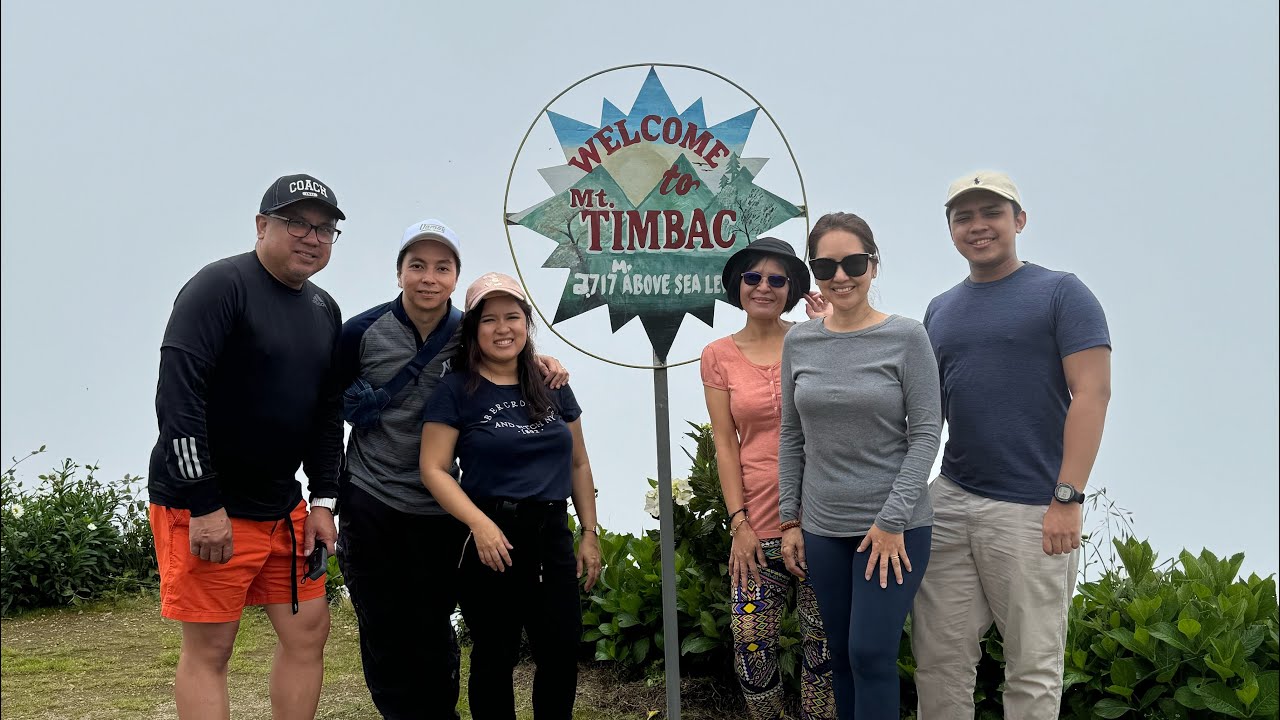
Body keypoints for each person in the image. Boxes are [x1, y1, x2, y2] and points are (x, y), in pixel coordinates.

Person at [334, 221, 568, 719]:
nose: (428, 277)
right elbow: (324, 412)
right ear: (398, 272)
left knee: (435, 624)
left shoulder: (467, 331)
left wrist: (544, 361)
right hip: (371, 497)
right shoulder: (359, 332)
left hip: (439, 507)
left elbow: (507, 349)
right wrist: (322, 496)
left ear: (455, 276)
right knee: (382, 625)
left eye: (442, 267)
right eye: (416, 265)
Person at [912, 171, 1112, 719]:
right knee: (938, 660)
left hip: (1034, 509)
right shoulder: (940, 309)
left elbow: (1092, 394)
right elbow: (926, 409)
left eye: (991, 213)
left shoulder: (1062, 293)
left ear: (1018, 220)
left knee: (1032, 667)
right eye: (963, 217)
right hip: (950, 501)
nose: (978, 226)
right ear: (950, 229)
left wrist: (1068, 498)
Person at [146, 173, 346, 720]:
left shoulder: (324, 310)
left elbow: (328, 414)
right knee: (212, 648)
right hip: (207, 508)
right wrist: (205, 505)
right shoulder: (219, 287)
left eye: (325, 229)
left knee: (308, 633)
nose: (312, 237)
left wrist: (325, 501)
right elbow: (178, 399)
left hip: (284, 507)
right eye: (297, 223)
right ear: (262, 226)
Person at [778, 213, 942, 720]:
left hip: (893, 529)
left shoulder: (907, 337)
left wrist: (891, 522)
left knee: (871, 654)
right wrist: (791, 520)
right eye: (826, 265)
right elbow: (791, 434)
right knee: (843, 659)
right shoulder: (799, 342)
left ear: (873, 264)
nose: (840, 276)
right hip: (824, 528)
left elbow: (927, 434)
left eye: (852, 262)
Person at [420, 272, 601, 720]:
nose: (503, 328)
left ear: (527, 324)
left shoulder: (552, 384)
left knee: (559, 651)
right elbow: (433, 469)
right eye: (490, 319)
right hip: (490, 537)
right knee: (494, 655)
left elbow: (579, 463)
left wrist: (590, 533)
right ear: (473, 330)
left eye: (513, 317)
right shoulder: (456, 389)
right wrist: (478, 524)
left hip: (552, 534)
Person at [700, 236, 835, 719]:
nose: (763, 287)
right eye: (752, 277)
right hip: (755, 524)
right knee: (752, 649)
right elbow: (724, 443)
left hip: (823, 519)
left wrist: (828, 332)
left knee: (825, 653)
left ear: (792, 288)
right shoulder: (718, 354)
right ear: (738, 285)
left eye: (777, 279)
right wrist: (738, 524)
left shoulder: (813, 336)